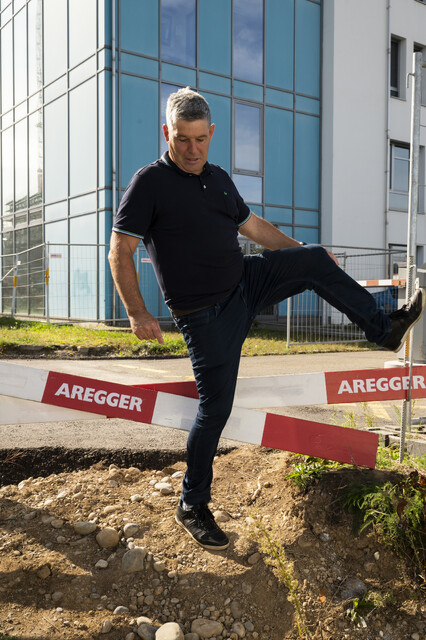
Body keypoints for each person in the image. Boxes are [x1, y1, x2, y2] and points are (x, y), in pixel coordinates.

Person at [109, 87, 425, 551]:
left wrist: (309, 257)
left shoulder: (217, 178)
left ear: (212, 133)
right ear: (167, 134)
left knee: (316, 258)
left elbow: (255, 229)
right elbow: (121, 249)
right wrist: (136, 311)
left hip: (247, 282)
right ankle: (192, 504)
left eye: (200, 139)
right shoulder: (148, 183)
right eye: (182, 140)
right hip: (203, 315)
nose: (192, 150)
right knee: (215, 409)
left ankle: (383, 329)